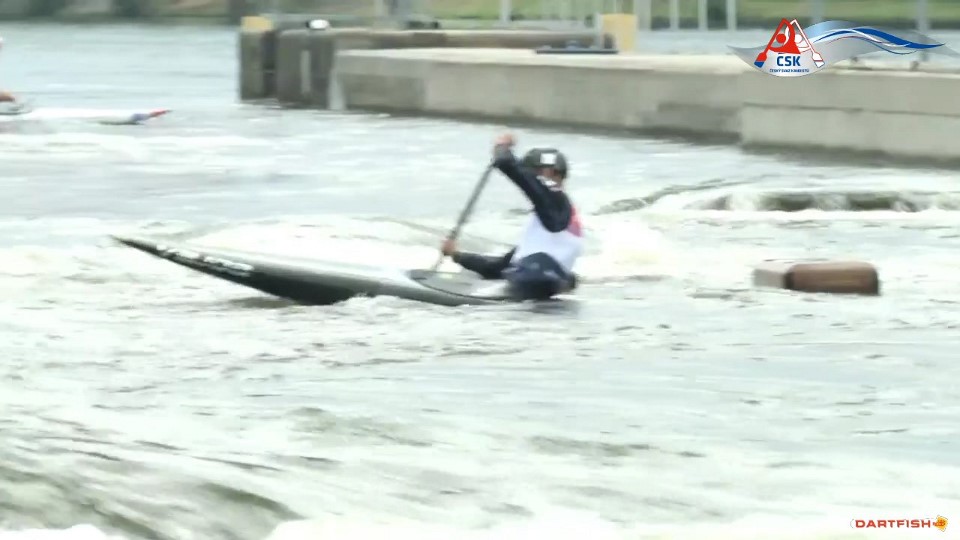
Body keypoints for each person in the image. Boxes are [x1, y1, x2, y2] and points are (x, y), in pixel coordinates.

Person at [441, 133, 583, 300]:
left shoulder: (556, 200)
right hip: (544, 289)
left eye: (533, 172)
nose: (531, 180)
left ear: (550, 172)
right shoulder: (545, 235)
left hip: (535, 280)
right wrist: (456, 255)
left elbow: (506, 163)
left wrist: (502, 147)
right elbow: (497, 267)